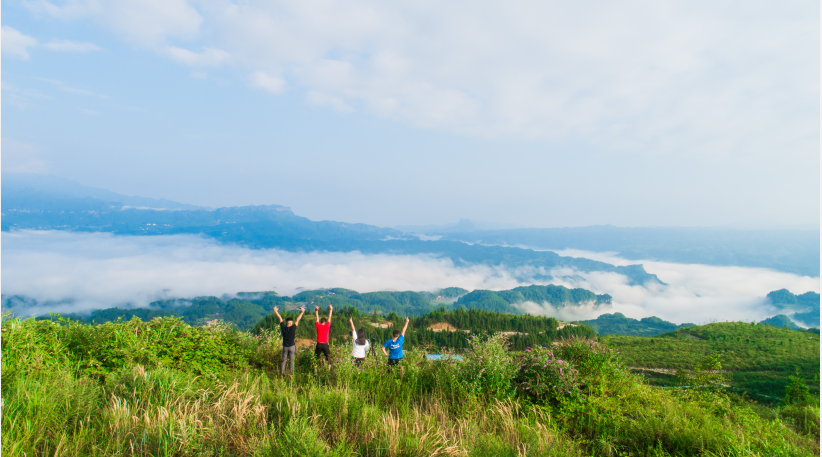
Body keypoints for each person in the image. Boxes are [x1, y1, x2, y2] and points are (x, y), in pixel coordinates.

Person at [273, 305, 305, 376]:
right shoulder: (293, 328)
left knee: (283, 361)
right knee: (291, 361)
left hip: (285, 347)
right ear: (291, 323)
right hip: (292, 347)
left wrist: (275, 311)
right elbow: (297, 320)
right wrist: (302, 312)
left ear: (287, 323)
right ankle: (291, 374)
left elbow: (280, 319)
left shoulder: (283, 328)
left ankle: (282, 374)